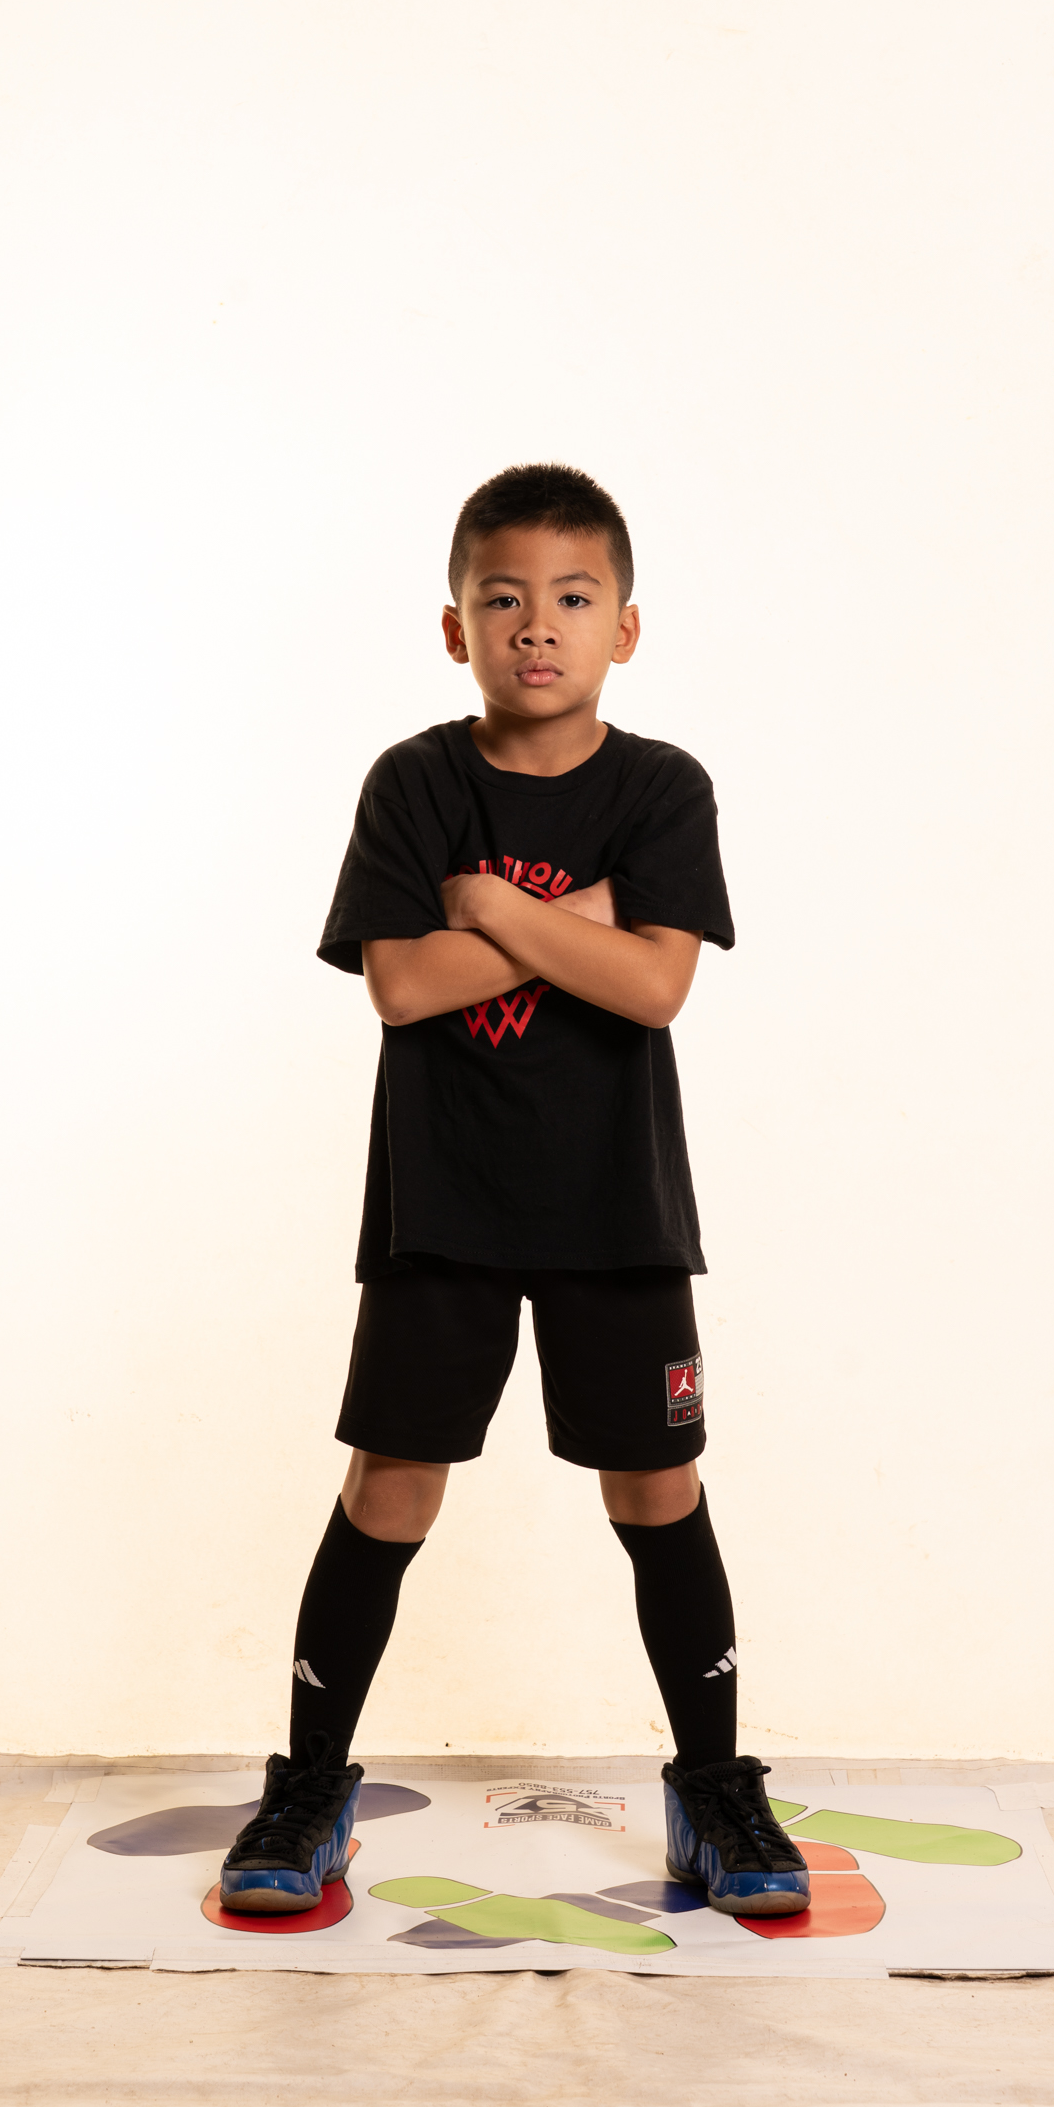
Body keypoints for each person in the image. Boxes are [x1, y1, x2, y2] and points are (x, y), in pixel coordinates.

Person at [217, 464, 809, 1919]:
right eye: (502, 598)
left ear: (625, 626)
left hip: (617, 1206)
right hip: (447, 1205)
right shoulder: (416, 783)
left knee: (657, 1486)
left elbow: (656, 986)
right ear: (455, 627)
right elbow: (403, 986)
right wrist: (577, 913)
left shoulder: (661, 788)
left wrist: (487, 901)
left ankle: (714, 1786)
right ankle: (307, 1786)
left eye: (571, 597)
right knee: (389, 1484)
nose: (536, 624)